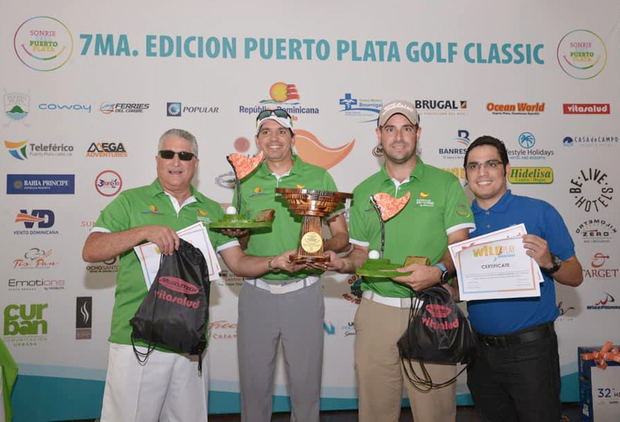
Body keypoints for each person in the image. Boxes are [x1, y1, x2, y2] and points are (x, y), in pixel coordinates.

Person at [82, 128, 298, 422]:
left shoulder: (210, 210)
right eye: (168, 154)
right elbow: (92, 249)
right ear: (157, 159)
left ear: (195, 163)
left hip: (190, 344)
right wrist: (144, 231)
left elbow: (238, 263)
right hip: (138, 341)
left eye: (185, 155)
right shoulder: (130, 201)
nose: (176, 161)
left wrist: (275, 261)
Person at [326, 100, 475, 422]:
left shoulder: (446, 184)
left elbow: (460, 245)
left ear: (417, 134)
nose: (398, 136)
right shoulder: (365, 190)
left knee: (434, 412)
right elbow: (360, 256)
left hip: (430, 310)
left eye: (406, 128)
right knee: (376, 411)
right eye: (390, 129)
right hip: (377, 310)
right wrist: (341, 264)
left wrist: (438, 271)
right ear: (379, 135)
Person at [232, 109, 349, 422]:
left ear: (292, 138)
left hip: (303, 293)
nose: (274, 138)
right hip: (256, 294)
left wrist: (316, 247)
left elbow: (341, 236)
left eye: (281, 131)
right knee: (253, 391)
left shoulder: (319, 177)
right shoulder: (246, 180)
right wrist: (238, 235)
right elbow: (243, 245)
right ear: (257, 139)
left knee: (306, 390)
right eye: (266, 132)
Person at [462, 135, 583, 422]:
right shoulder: (460, 222)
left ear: (507, 169)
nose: (482, 172)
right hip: (479, 353)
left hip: (531, 352)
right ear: (466, 175)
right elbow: (459, 287)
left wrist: (548, 261)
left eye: (491, 164)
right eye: (474, 166)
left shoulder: (539, 211)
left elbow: (576, 275)